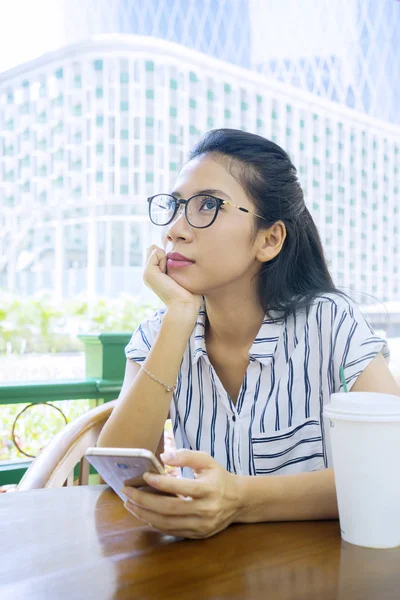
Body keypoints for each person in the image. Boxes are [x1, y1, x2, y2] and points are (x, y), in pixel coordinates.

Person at [97, 128, 399, 539]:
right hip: (203, 572)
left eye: (206, 206)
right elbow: (118, 467)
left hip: (318, 569)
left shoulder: (331, 322)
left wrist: (240, 498)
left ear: (269, 239)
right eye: (175, 206)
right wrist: (180, 316)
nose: (175, 230)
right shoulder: (160, 331)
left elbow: (391, 466)